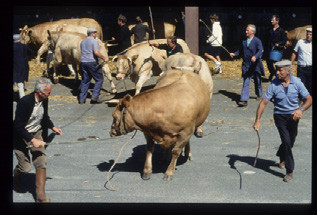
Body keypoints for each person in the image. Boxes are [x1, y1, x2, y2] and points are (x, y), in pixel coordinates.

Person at [253, 60, 312, 182]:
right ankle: (289, 171)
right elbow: (263, 103)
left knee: (290, 141)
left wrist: (301, 110)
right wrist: (257, 120)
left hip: (294, 116)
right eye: (277, 69)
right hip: (279, 116)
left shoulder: (297, 82)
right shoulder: (274, 84)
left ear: (288, 71)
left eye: (280, 70)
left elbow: (309, 99)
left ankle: (281, 155)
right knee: (286, 141)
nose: (277, 72)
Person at [13, 77, 63, 202]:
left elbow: (44, 116)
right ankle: (16, 175)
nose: (50, 94)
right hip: (20, 135)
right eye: (48, 92)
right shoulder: (24, 102)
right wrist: (31, 140)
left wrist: (52, 126)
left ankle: (40, 196)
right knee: (25, 168)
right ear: (40, 92)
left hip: (36, 132)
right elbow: (18, 125)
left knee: (41, 160)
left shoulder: (44, 100)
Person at [230, 24, 265, 107]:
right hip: (246, 65)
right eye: (246, 30)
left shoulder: (257, 41)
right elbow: (240, 51)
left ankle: (259, 94)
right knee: (246, 81)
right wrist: (234, 54)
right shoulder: (244, 41)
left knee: (257, 80)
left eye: (247, 30)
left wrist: (255, 56)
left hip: (255, 64)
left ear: (252, 32)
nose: (246, 32)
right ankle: (244, 99)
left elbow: (260, 50)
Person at [79, 28, 109, 104]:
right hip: (92, 62)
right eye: (95, 33)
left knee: (85, 81)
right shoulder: (94, 41)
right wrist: (104, 58)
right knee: (99, 79)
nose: (95, 35)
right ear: (92, 34)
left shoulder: (82, 41)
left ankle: (82, 99)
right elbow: (96, 52)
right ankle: (94, 97)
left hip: (83, 62)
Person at [264, 15, 287, 81]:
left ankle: (278, 76)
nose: (271, 21)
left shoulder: (281, 30)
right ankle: (272, 73)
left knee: (277, 64)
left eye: (273, 20)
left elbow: (284, 40)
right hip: (269, 49)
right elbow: (265, 39)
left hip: (277, 50)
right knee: (269, 63)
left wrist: (279, 44)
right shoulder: (269, 30)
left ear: (277, 21)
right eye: (271, 20)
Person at [290, 27, 312, 95]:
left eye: (310, 34)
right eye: (307, 34)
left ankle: (308, 101)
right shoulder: (300, 42)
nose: (308, 36)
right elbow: (294, 53)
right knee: (300, 85)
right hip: (301, 68)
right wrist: (291, 63)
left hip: (311, 68)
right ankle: (300, 101)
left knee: (310, 86)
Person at [13, 34, 29, 99]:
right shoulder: (24, 46)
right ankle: (22, 99)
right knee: (20, 84)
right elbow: (31, 52)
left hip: (14, 67)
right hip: (22, 67)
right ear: (20, 39)